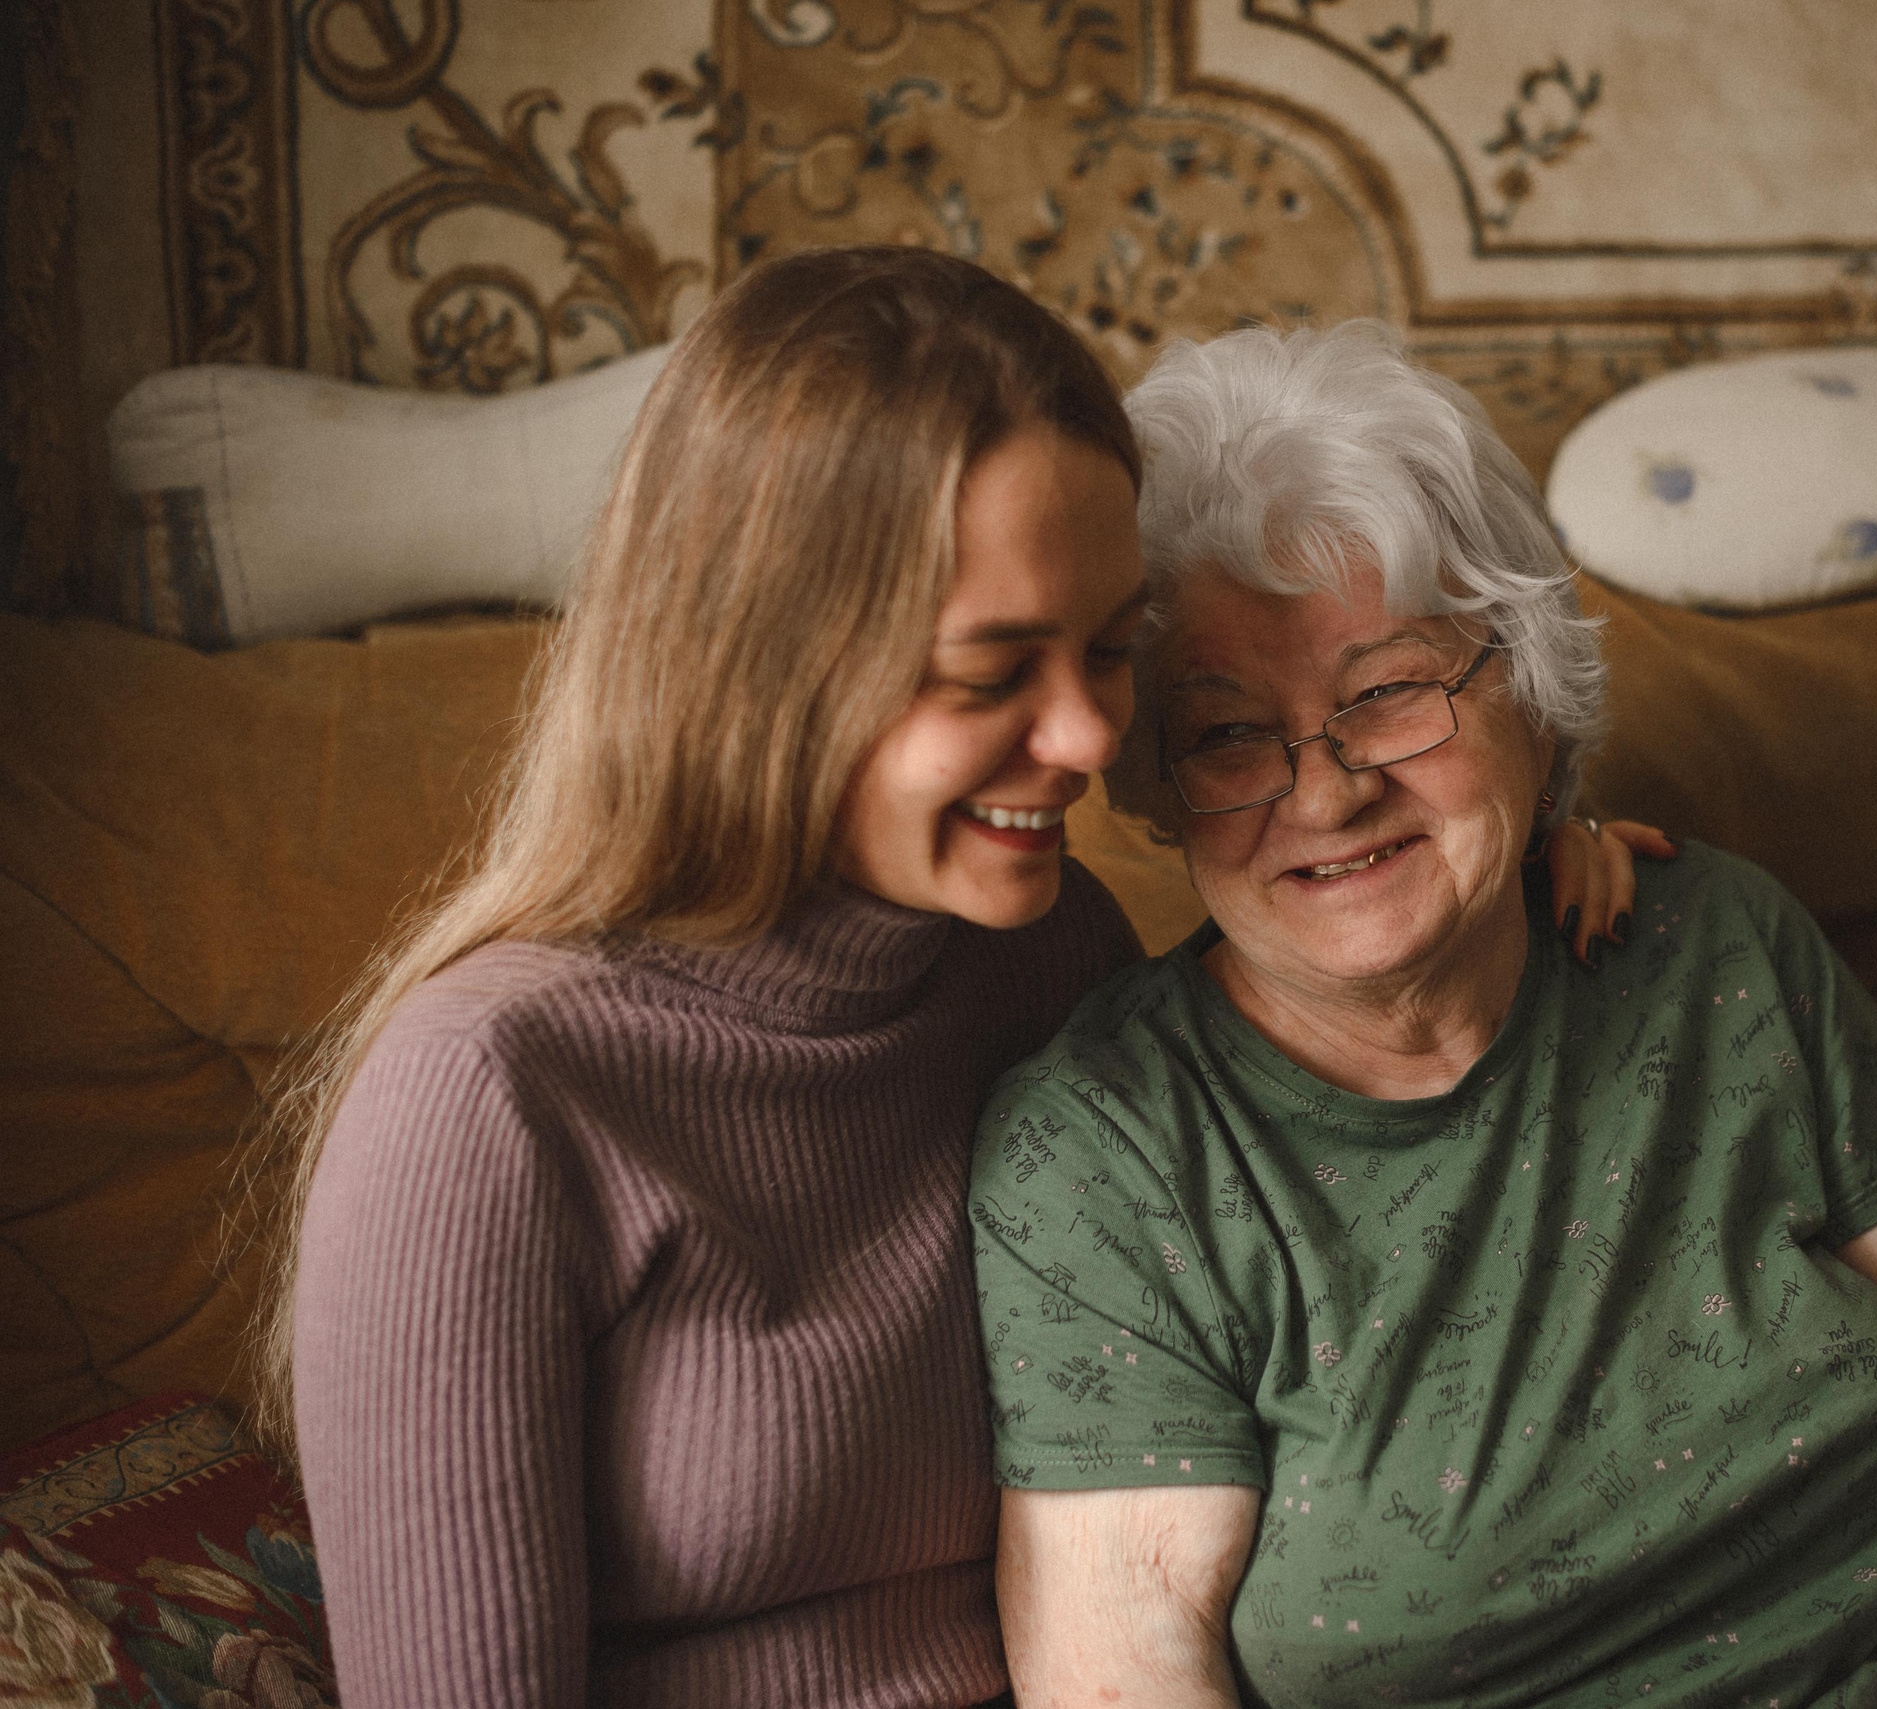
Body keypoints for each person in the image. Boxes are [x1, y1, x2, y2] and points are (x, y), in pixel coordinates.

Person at [265, 250, 1646, 1709]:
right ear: (763, 666)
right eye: (993, 674)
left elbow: (1378, 1257)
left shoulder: (1049, 958)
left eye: (1111, 652)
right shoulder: (488, 1094)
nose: (1084, 737)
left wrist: (1548, 842)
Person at [967, 323, 1877, 1708]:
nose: (1324, 792)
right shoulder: (1110, 1157)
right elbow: (1125, 1677)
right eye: (1225, 733)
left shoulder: (1718, 948)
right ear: (1150, 770)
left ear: (1532, 686)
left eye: (1389, 693)